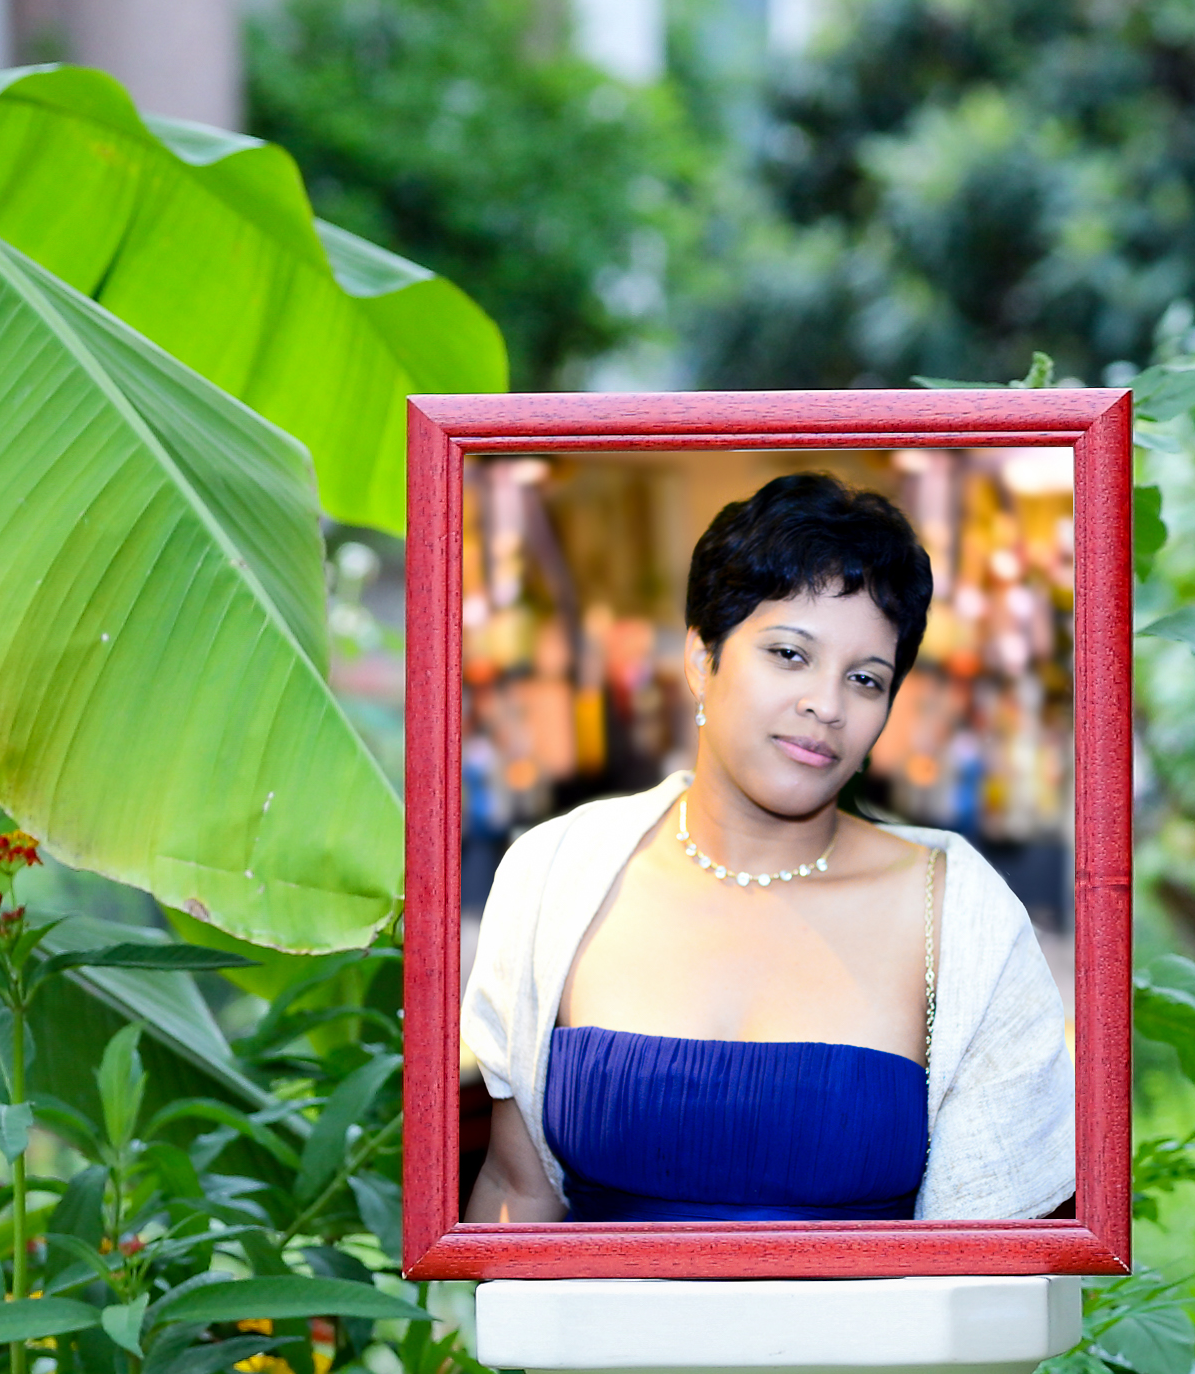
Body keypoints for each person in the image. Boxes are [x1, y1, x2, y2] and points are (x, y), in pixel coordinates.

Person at [456, 471, 1074, 1224]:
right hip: (608, 1346)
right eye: (788, 654)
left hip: (873, 1345)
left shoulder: (953, 908)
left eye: (866, 678)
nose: (826, 704)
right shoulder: (558, 875)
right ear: (699, 659)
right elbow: (517, 1194)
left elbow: (993, 1238)